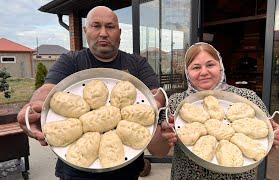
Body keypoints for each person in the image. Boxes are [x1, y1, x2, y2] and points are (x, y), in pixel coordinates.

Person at [17, 6, 167, 180]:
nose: (103, 33)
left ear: (119, 32)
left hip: (128, 169)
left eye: (110, 27)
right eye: (96, 26)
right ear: (85, 30)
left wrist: (156, 104)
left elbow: (157, 93)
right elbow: (48, 90)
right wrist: (35, 108)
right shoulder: (71, 61)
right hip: (76, 171)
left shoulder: (137, 63)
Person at [159, 42, 279, 179]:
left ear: (220, 66)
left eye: (210, 65)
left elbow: (262, 146)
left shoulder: (248, 98)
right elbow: (158, 152)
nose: (204, 72)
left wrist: (277, 138)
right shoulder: (176, 102)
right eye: (196, 67)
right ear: (187, 72)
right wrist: (163, 136)